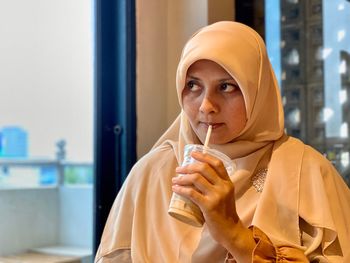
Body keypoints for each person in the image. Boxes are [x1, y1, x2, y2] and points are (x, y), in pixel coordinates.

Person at [95, 21, 350, 262]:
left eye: (227, 87)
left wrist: (232, 231)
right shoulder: (150, 174)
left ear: (257, 92)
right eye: (193, 85)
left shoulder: (307, 173)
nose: (206, 106)